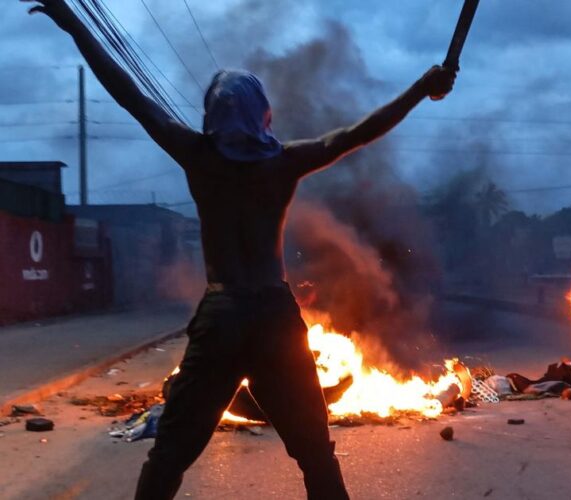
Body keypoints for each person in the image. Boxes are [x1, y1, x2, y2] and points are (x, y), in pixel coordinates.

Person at [21, 1, 457, 498]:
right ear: (263, 116)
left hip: (222, 318)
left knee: (168, 457)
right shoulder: (284, 164)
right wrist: (422, 89)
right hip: (274, 316)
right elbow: (358, 134)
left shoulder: (196, 155)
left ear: (212, 116)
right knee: (316, 455)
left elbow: (128, 93)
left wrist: (70, 19)